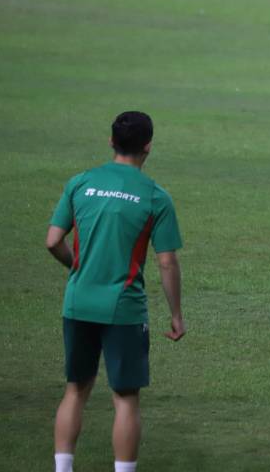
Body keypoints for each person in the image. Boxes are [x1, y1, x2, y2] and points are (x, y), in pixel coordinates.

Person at [46, 111, 185, 472]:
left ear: (111, 142)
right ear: (148, 147)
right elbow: (167, 262)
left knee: (75, 390)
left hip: (77, 302)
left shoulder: (80, 183)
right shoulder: (155, 197)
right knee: (125, 399)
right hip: (122, 308)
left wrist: (77, 266)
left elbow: (52, 241)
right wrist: (176, 315)